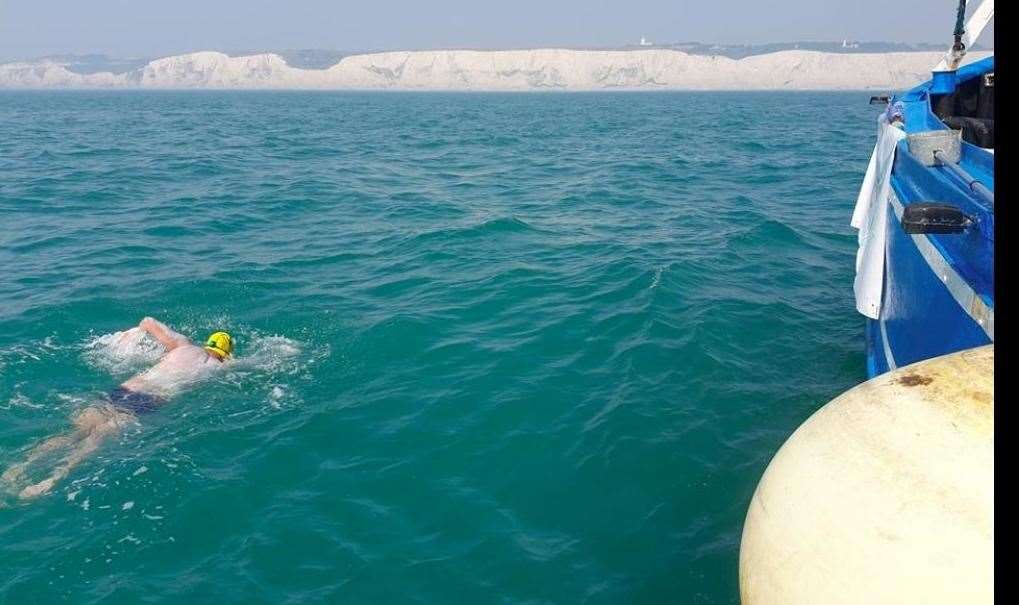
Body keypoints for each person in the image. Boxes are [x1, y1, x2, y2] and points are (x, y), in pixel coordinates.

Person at [3, 317, 233, 500]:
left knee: (72, 434)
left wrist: (136, 332)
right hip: (147, 401)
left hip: (123, 390)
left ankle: (16, 470)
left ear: (208, 342)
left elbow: (148, 321)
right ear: (226, 353)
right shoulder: (217, 367)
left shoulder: (182, 345)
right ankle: (52, 479)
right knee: (94, 442)